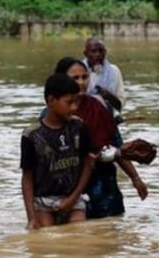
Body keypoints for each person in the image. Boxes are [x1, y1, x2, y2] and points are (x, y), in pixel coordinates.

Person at [55, 57, 148, 218]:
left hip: (105, 190)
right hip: (70, 191)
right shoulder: (54, 113)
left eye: (85, 77)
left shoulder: (100, 106)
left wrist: (135, 178)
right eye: (75, 78)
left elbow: (115, 145)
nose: (82, 82)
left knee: (110, 234)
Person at [21, 73, 96, 229]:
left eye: (76, 102)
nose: (74, 107)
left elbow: (88, 164)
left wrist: (72, 199)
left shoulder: (79, 127)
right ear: (51, 101)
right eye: (69, 102)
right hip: (43, 202)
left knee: (78, 234)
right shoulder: (32, 135)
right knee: (48, 237)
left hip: (74, 199)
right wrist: (31, 218)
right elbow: (27, 177)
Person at [82, 37, 125, 113]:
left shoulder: (114, 71)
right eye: (93, 51)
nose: (98, 54)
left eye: (101, 51)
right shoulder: (79, 71)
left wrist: (109, 96)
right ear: (86, 53)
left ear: (105, 52)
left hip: (107, 115)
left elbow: (120, 105)